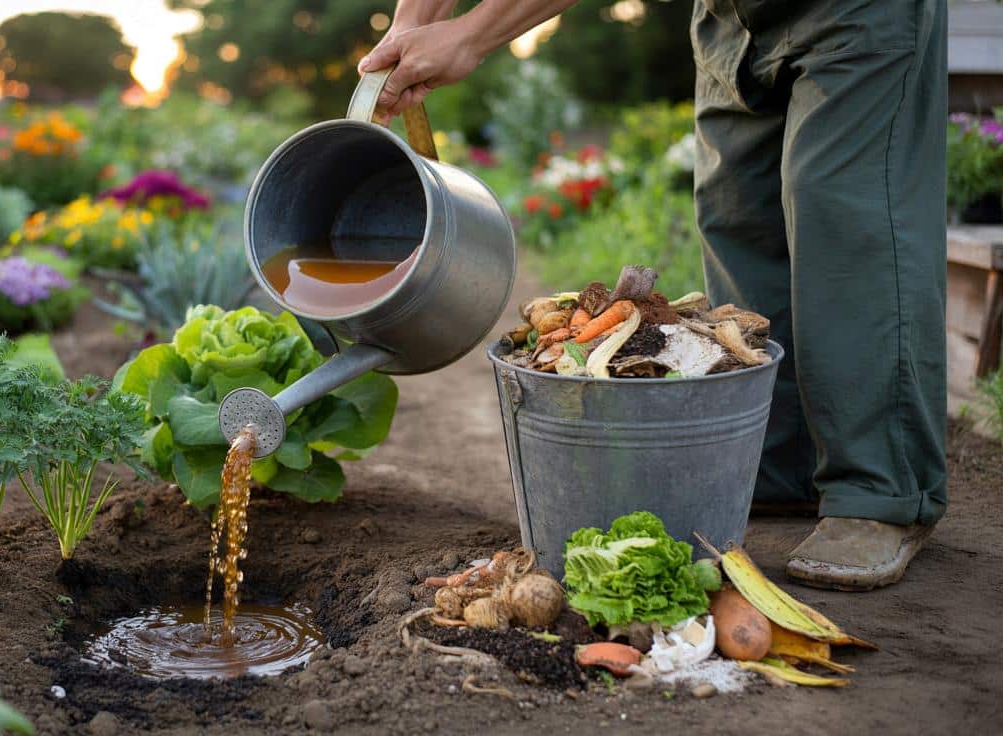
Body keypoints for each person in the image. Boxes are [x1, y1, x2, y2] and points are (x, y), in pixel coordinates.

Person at [361, 0, 948, 591]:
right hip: (731, 19)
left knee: (843, 215)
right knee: (738, 215)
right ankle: (775, 463)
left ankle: (881, 489)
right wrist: (412, 24)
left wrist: (471, 36)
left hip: (852, 13)